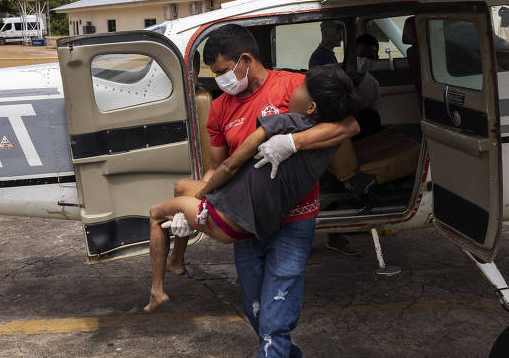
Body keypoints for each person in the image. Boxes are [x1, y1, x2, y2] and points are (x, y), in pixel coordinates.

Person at [167, 24, 359, 357]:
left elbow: (349, 125)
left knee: (275, 315)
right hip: (246, 219)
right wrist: (197, 211)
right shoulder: (221, 107)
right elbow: (218, 166)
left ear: (245, 60)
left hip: (293, 220)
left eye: (224, 71)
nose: (220, 80)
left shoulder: (293, 86)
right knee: (256, 309)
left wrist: (292, 142)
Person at [144, 65, 357, 317]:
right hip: (250, 212)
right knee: (182, 187)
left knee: (157, 213)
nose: (294, 92)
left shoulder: (282, 122)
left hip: (230, 218)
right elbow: (349, 125)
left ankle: (157, 290)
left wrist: (202, 201)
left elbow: (228, 166)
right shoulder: (326, 138)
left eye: (222, 69)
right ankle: (176, 261)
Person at [307, 20, 360, 257]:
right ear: (328, 32)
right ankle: (333, 236)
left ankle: (335, 235)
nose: (340, 36)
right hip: (330, 123)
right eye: (339, 31)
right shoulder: (320, 58)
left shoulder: (325, 55)